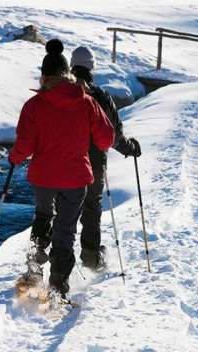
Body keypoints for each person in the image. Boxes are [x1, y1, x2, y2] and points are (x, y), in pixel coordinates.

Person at [8, 39, 114, 298]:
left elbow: (24, 145)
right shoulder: (87, 102)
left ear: (44, 76)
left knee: (43, 217)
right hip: (76, 178)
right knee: (65, 231)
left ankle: (34, 272)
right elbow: (105, 139)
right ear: (67, 74)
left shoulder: (34, 105)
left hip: (43, 177)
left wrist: (14, 158)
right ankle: (57, 290)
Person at [70, 46, 142, 271]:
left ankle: (57, 256)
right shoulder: (100, 96)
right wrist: (130, 148)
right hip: (93, 162)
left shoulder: (60, 93)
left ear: (72, 65)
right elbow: (114, 134)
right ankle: (91, 257)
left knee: (64, 208)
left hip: (63, 159)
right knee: (91, 207)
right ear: (92, 66)